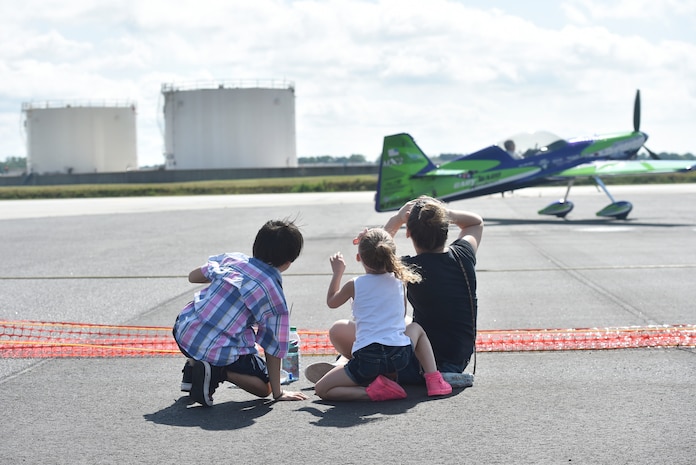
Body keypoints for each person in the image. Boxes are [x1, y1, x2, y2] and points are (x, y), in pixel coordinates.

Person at [306, 196, 483, 389]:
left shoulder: (408, 269)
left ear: (408, 233)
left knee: (343, 329)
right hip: (458, 358)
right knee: (403, 322)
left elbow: (377, 251)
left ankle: (348, 367)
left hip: (414, 362)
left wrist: (397, 219)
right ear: (445, 227)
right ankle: (347, 366)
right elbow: (476, 222)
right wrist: (443, 213)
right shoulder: (463, 255)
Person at [173, 219, 308, 407]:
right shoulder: (273, 293)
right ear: (288, 262)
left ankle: (194, 369)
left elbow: (193, 276)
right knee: (264, 386)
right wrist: (278, 393)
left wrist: (223, 279)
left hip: (184, 330)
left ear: (256, 246)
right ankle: (215, 371)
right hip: (216, 348)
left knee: (207, 314)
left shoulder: (233, 259)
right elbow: (273, 345)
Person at [314, 228, 452, 401]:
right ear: (390, 256)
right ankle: (434, 380)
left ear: (359, 258)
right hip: (400, 356)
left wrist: (337, 273)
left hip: (367, 360)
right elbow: (401, 316)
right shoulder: (399, 281)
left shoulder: (354, 284)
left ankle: (372, 391)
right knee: (416, 328)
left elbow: (331, 302)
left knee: (322, 389)